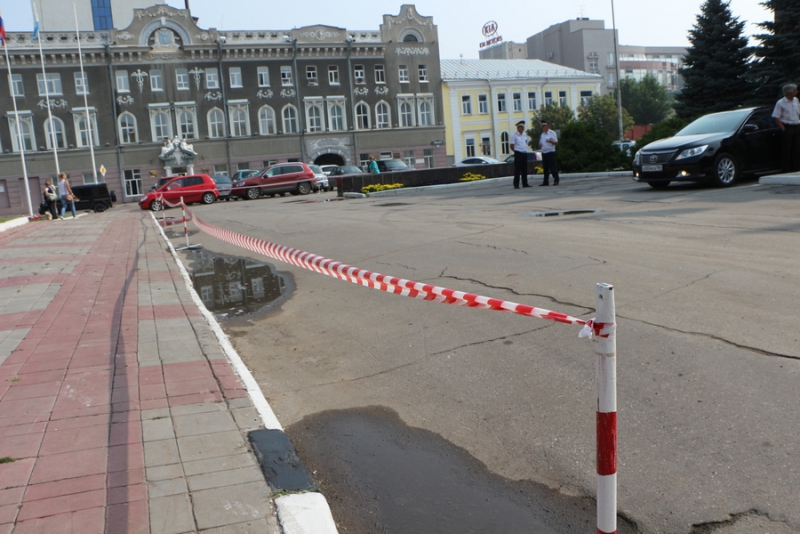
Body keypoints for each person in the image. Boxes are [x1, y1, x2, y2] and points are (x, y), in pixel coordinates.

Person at [772, 83, 800, 173]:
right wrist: (784, 129)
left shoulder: (796, 100)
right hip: (787, 126)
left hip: (796, 125)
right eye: (795, 90)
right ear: (790, 92)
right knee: (787, 149)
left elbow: (798, 112)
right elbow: (776, 117)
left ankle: (796, 167)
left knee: (796, 148)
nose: (797, 92)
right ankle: (786, 169)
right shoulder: (780, 103)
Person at [509, 120, 531, 189]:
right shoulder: (514, 135)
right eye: (520, 127)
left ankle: (525, 183)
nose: (521, 129)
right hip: (518, 153)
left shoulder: (524, 135)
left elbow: (526, 142)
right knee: (517, 170)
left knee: (524, 169)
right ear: (518, 128)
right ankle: (516, 184)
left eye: (522, 127)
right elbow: (511, 145)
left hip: (524, 153)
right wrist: (516, 151)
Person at [538, 121, 560, 186]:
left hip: (551, 152)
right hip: (544, 152)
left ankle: (556, 180)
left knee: (553, 167)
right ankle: (545, 181)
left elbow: (556, 143)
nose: (543, 128)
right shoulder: (542, 134)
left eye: (544, 126)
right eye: (542, 126)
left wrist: (550, 141)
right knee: (545, 168)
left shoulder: (552, 133)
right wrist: (540, 144)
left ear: (548, 126)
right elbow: (540, 142)